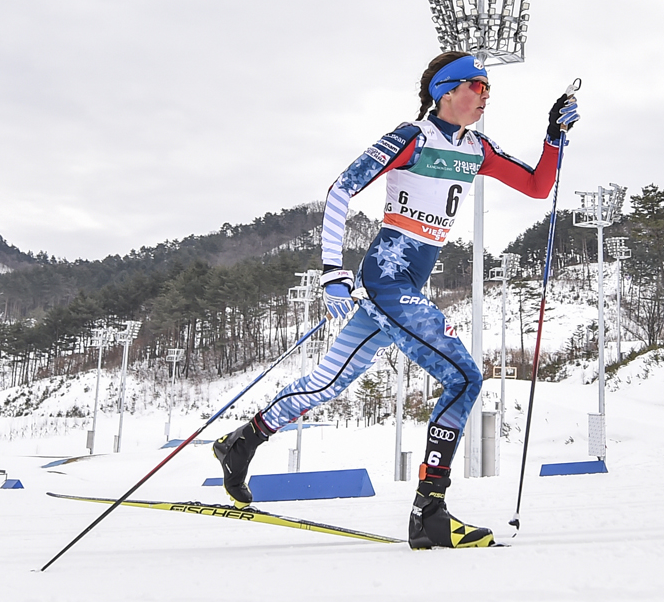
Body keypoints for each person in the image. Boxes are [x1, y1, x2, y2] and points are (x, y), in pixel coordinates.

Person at [213, 51, 579, 549]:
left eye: (489, 88)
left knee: (327, 382)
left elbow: (538, 187)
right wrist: (331, 272)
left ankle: (242, 441)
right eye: (477, 85)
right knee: (465, 376)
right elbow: (341, 189)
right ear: (444, 91)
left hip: (405, 284)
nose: (486, 96)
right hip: (387, 282)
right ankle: (430, 510)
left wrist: (553, 136)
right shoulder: (412, 137)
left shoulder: (477, 147)